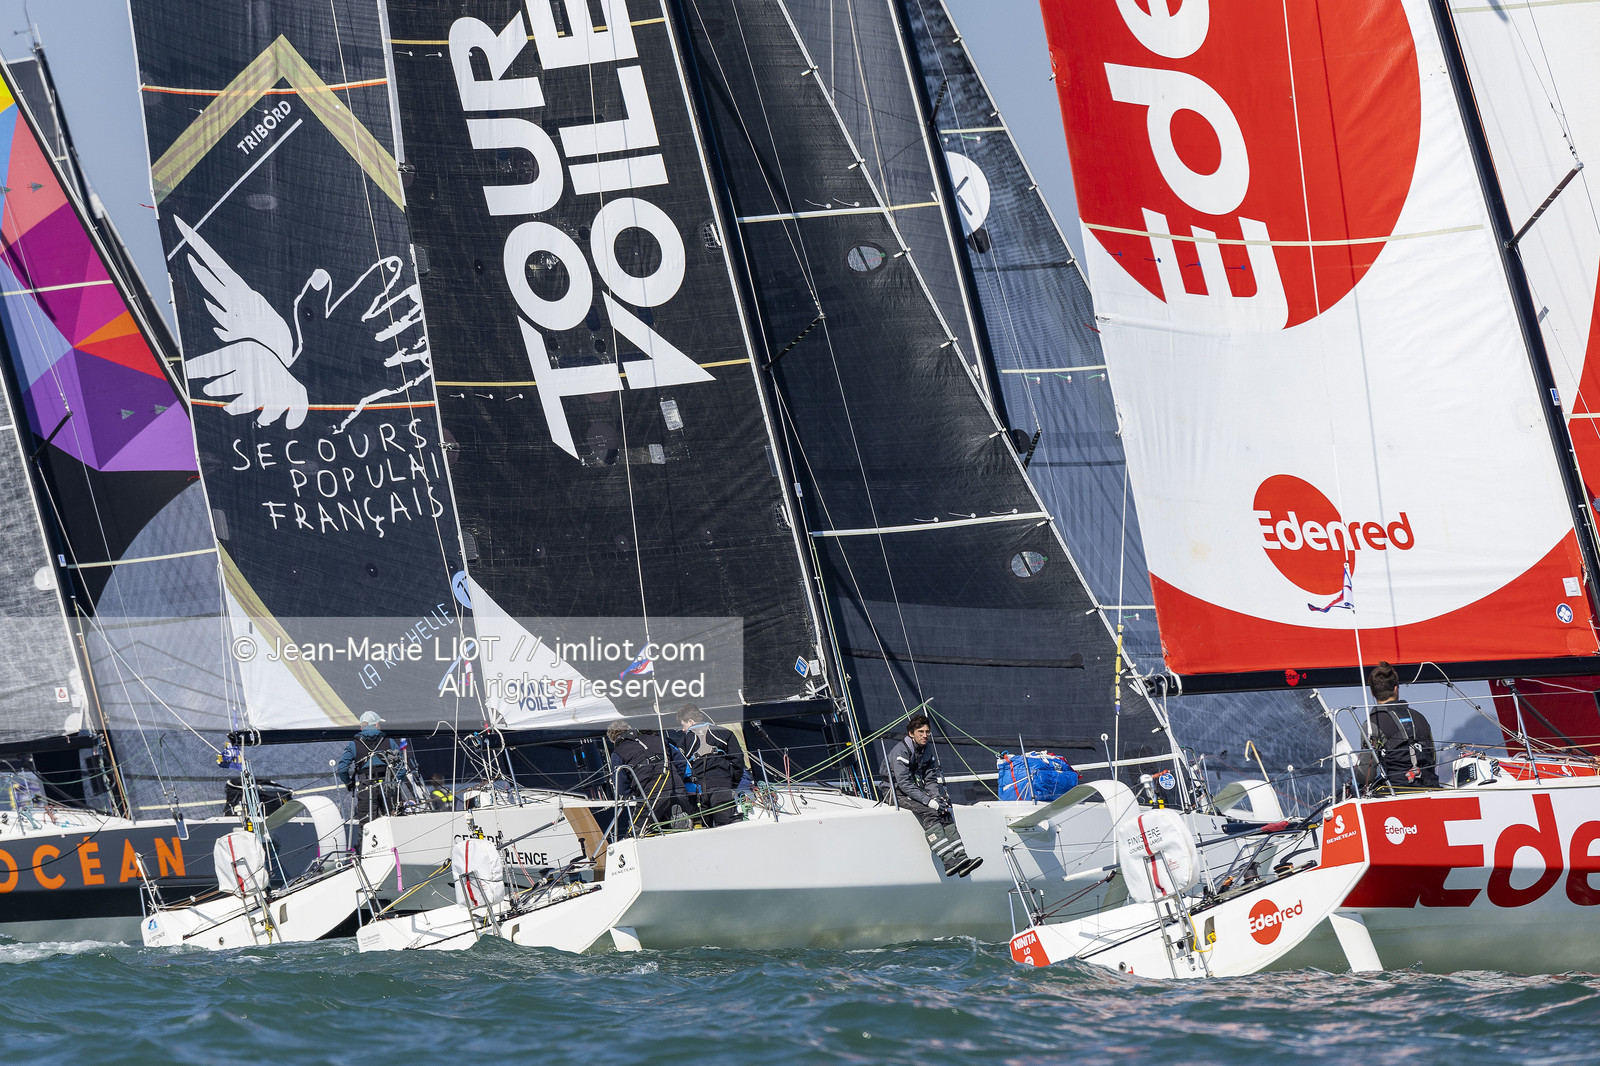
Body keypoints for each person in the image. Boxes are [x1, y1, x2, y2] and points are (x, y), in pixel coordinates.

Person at [887, 714, 981, 877]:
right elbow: (903, 784)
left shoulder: (926, 750)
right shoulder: (901, 751)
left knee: (944, 809)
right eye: (921, 732)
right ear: (911, 733)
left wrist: (936, 798)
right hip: (896, 792)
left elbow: (930, 778)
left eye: (927, 732)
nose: (925, 735)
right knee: (930, 811)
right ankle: (948, 861)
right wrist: (928, 801)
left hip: (915, 790)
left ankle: (962, 858)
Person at [607, 720, 691, 831]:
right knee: (680, 829)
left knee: (636, 831)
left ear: (613, 740)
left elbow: (620, 785)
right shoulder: (658, 739)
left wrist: (633, 793)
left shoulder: (618, 752)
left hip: (651, 794)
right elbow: (681, 763)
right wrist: (675, 779)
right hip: (678, 788)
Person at [1367, 661, 1439, 790]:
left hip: (1397, 792)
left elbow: (1365, 774)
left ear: (1372, 692)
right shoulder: (1420, 717)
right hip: (1431, 788)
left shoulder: (1372, 723)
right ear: (1396, 688)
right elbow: (1432, 758)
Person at [675, 703, 746, 828]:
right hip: (722, 784)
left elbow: (680, 766)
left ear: (690, 721)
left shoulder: (684, 742)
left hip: (700, 791)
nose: (683, 729)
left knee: (706, 828)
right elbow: (738, 760)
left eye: (683, 725)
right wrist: (733, 783)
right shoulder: (725, 733)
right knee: (727, 826)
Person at [337, 711, 403, 822]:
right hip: (388, 787)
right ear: (377, 725)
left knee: (366, 825)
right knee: (394, 821)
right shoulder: (390, 742)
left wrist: (348, 782)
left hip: (366, 788)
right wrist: (396, 782)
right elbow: (401, 767)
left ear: (361, 728)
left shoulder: (353, 745)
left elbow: (342, 769)